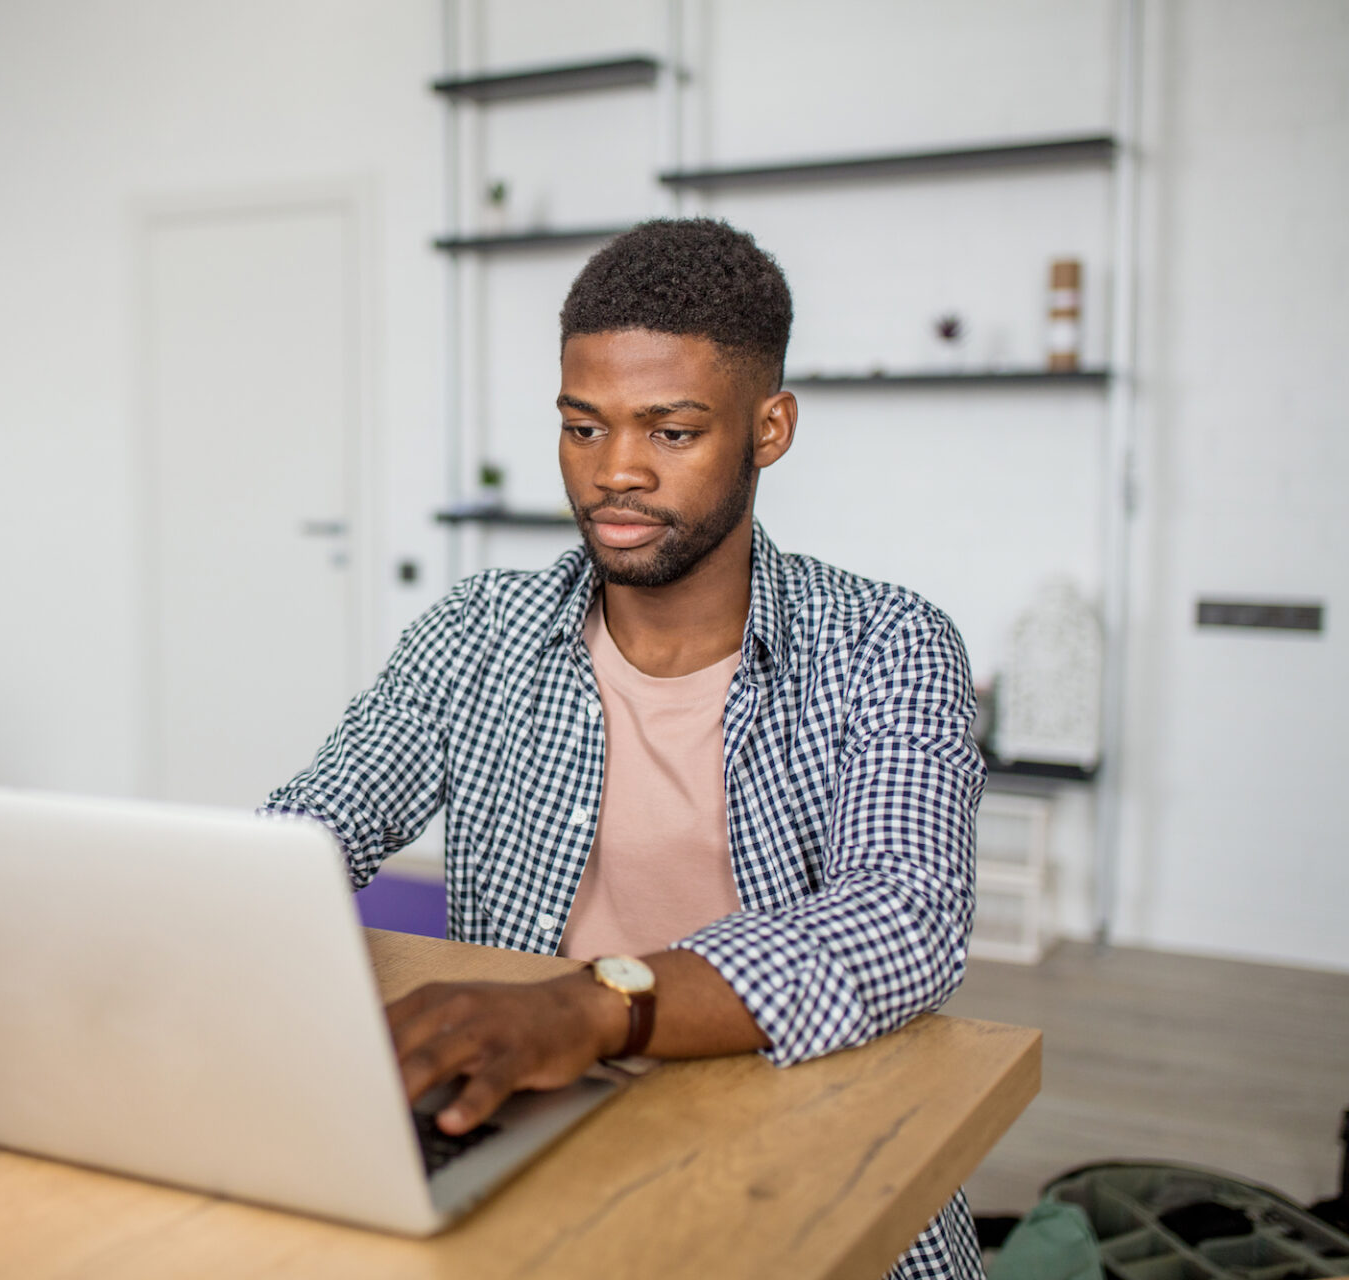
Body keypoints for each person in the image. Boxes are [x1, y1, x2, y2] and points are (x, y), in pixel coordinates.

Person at [265, 217, 984, 1280]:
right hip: (524, 1121)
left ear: (770, 428)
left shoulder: (888, 641)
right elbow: (319, 819)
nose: (616, 473)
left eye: (673, 431)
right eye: (584, 427)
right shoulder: (479, 630)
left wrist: (594, 1002)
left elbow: (903, 912)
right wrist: (200, 921)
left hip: (798, 1138)